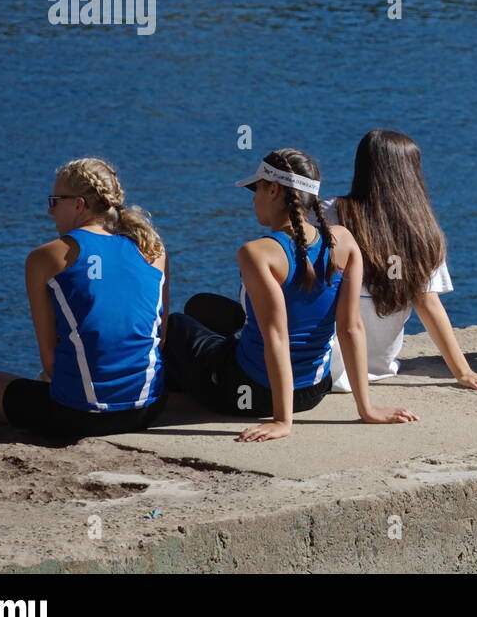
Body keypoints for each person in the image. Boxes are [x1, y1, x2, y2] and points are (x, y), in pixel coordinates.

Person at [164, 148, 416, 442]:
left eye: (256, 189)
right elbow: (350, 328)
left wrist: (282, 421)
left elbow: (277, 336)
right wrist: (367, 408)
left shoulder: (257, 253)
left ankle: (152, 398)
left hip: (249, 392)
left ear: (273, 189)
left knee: (178, 323)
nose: (253, 198)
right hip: (313, 390)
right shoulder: (344, 241)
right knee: (203, 306)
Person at [0, 158, 169, 437]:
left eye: (54, 201)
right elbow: (160, 336)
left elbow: (50, 360)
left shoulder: (47, 257)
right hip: (147, 410)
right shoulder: (153, 249)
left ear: (79, 205)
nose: (50, 211)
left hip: (81, 416)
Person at [323, 130, 477, 394]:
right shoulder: (422, 231)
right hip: (378, 368)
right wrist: (463, 372)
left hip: (324, 369)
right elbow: (427, 302)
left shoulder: (327, 212)